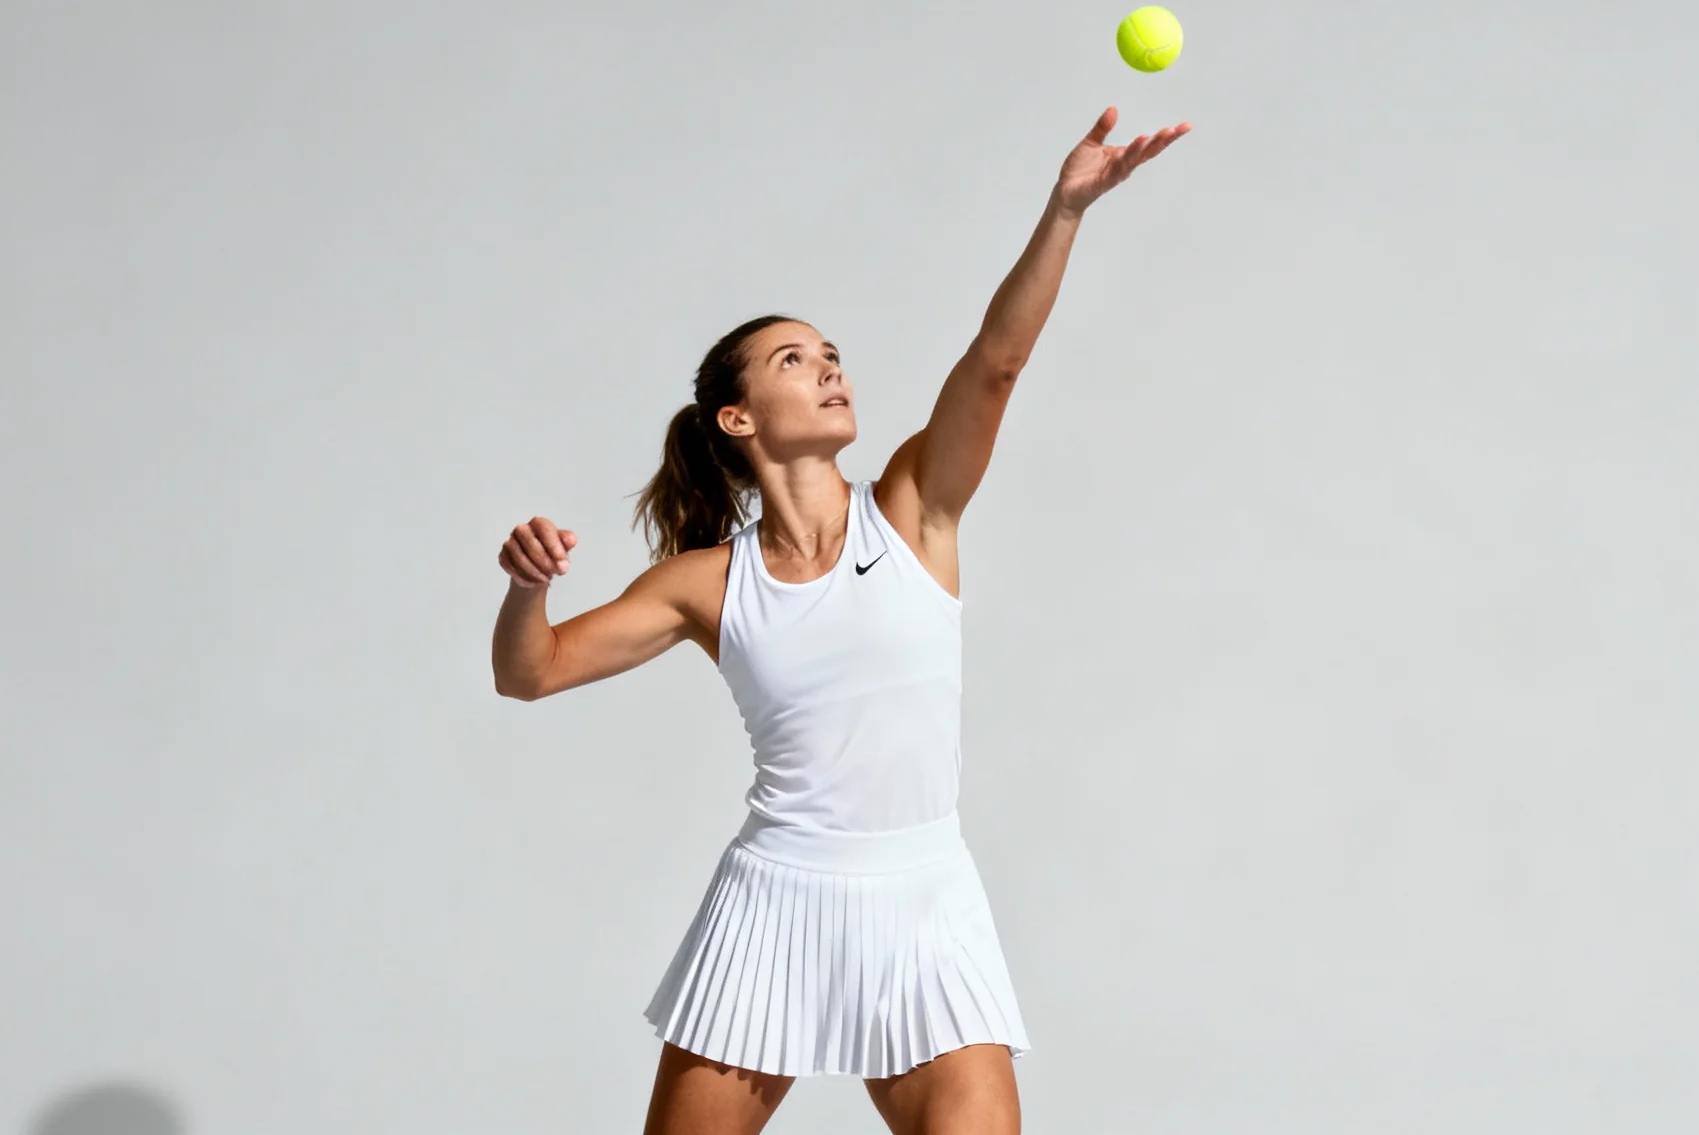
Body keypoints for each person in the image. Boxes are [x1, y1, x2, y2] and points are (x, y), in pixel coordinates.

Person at [490, 105, 1189, 1135]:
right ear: (738, 419)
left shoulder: (914, 507)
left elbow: (995, 365)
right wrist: (525, 589)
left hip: (923, 908)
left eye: (830, 353)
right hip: (772, 903)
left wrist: (1064, 212)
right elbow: (530, 672)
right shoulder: (703, 582)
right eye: (791, 361)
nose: (828, 367)